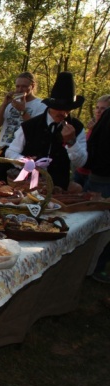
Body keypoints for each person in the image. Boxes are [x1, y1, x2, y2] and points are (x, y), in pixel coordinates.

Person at [6, 72, 87, 190]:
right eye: (58, 108)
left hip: (58, 188)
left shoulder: (77, 127)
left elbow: (81, 163)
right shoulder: (30, 126)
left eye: (67, 109)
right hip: (27, 187)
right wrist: (25, 162)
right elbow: (11, 152)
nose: (63, 113)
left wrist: (71, 142)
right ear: (50, 105)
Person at [0, 72, 46, 181]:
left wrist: (22, 111)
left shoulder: (41, 105)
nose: (20, 90)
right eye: (17, 86)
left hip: (24, 153)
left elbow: (37, 131)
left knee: (20, 188)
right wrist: (4, 104)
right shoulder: (11, 104)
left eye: (24, 86)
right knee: (0, 185)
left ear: (32, 86)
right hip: (5, 150)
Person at [81, 102, 110, 283]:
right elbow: (94, 146)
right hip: (102, 178)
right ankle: (91, 268)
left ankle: (93, 268)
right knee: (95, 224)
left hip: (99, 176)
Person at [73, 94, 110, 187]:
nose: (98, 111)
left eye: (103, 109)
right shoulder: (91, 126)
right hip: (79, 171)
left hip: (93, 174)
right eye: (97, 108)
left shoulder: (104, 129)